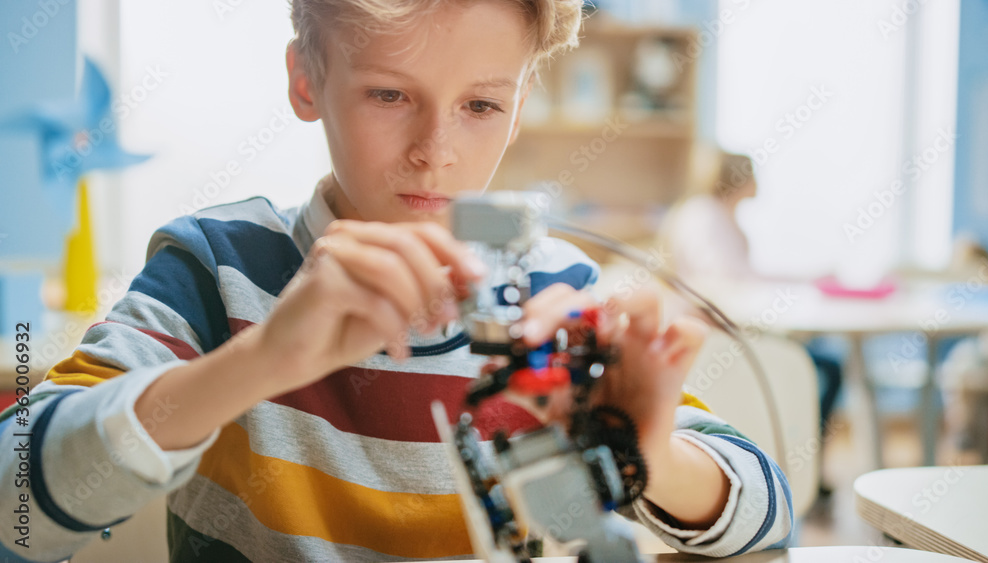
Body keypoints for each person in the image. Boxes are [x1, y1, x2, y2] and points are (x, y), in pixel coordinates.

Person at [0, 2, 792, 561]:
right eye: (389, 94)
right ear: (307, 79)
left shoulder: (555, 289)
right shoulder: (215, 267)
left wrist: (646, 450)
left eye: (481, 104)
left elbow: (770, 510)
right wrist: (258, 363)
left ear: (517, 112)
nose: (435, 151)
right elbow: (15, 507)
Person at [665, 148, 843, 490]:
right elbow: (729, 283)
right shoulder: (705, 217)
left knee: (820, 360)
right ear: (739, 178)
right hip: (716, 338)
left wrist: (802, 279)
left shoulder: (711, 214)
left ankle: (805, 466)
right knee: (824, 366)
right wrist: (802, 280)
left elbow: (740, 279)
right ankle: (806, 467)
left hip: (725, 330)